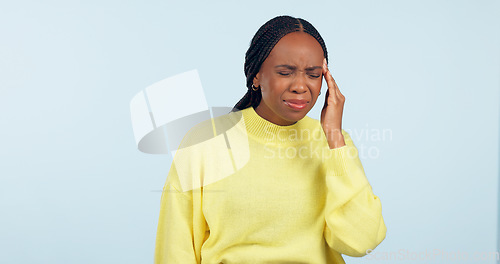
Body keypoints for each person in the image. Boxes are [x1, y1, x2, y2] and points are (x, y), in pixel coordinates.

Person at [154, 15, 386, 264]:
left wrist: (334, 137)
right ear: (256, 76)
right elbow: (175, 248)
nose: (300, 86)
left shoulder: (334, 144)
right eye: (285, 72)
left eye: (313, 74)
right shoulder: (204, 142)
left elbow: (362, 242)